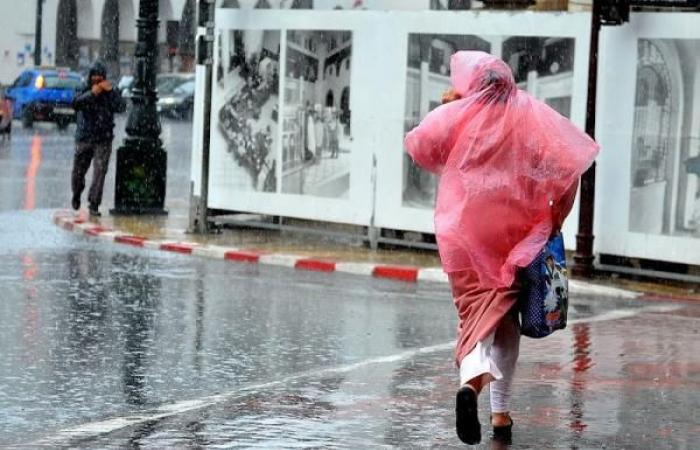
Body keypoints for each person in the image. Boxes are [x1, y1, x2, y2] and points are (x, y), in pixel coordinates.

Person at [404, 51, 599, 445]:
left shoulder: (461, 113)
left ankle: (472, 386)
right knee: (506, 317)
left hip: (463, 230)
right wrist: (554, 218)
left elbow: (421, 145)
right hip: (512, 231)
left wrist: (455, 111)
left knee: (475, 313)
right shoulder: (529, 113)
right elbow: (568, 167)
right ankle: (499, 412)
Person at [71, 61, 126, 216]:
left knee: (100, 172)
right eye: (94, 76)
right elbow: (76, 103)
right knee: (78, 172)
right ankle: (76, 193)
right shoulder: (83, 89)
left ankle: (94, 203)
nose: (97, 79)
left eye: (100, 76)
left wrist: (112, 93)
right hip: (84, 137)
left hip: (103, 138)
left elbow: (121, 107)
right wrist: (92, 93)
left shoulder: (109, 92)